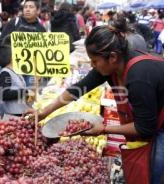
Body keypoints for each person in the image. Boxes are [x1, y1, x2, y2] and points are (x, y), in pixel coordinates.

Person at [25, 25, 164, 184]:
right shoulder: (113, 65)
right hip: (149, 124)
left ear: (112, 57)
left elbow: (145, 127)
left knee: (154, 175)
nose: (92, 65)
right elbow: (76, 90)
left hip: (159, 128)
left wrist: (104, 129)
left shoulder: (138, 77)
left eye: (94, 61)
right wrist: (43, 112)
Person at [0, 0, 46, 87]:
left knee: (28, 95)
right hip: (12, 68)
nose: (27, 9)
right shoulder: (14, 22)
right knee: (11, 95)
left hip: (30, 70)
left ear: (38, 11)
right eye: (25, 7)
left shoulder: (41, 29)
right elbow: (1, 41)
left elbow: (43, 52)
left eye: (31, 7)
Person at [0, 36, 30, 119]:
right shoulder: (5, 73)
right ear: (11, 58)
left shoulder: (15, 71)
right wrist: (25, 92)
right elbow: (4, 94)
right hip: (11, 116)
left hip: (19, 114)